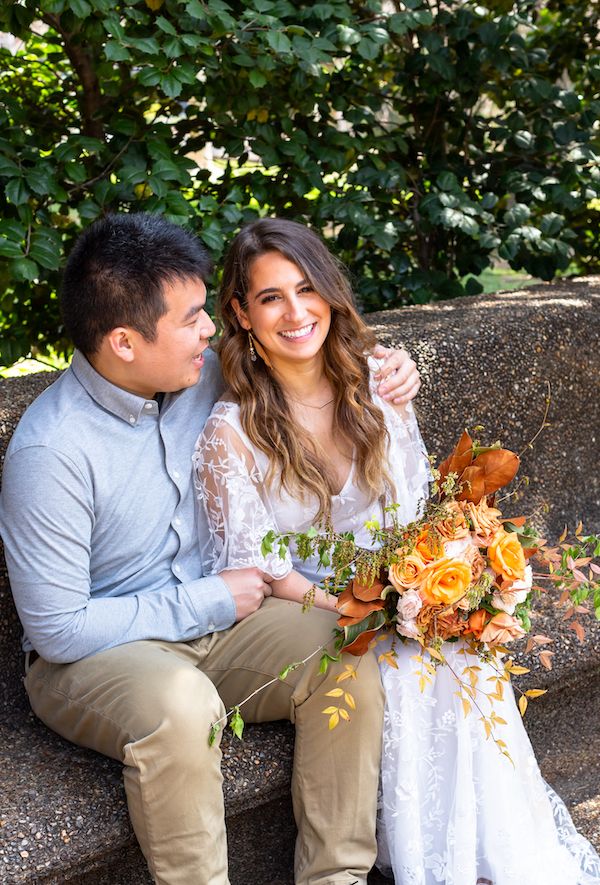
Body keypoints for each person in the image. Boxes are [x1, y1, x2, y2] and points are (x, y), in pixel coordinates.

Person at [0, 211, 421, 885]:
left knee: (347, 647)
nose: (210, 329)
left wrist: (389, 368)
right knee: (183, 705)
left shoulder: (203, 371)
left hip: (222, 628)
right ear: (124, 342)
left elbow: (304, 350)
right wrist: (207, 596)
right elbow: (57, 627)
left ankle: (336, 876)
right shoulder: (52, 451)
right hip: (100, 654)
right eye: (193, 317)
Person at [193, 217, 600, 885]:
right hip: (312, 607)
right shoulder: (232, 432)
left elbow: (418, 516)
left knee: (464, 646)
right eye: (270, 298)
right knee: (400, 654)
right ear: (240, 313)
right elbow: (262, 573)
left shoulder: (380, 386)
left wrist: (453, 578)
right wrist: (369, 609)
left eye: (306, 289)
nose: (296, 313)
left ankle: (489, 857)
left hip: (396, 585)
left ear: (329, 292)